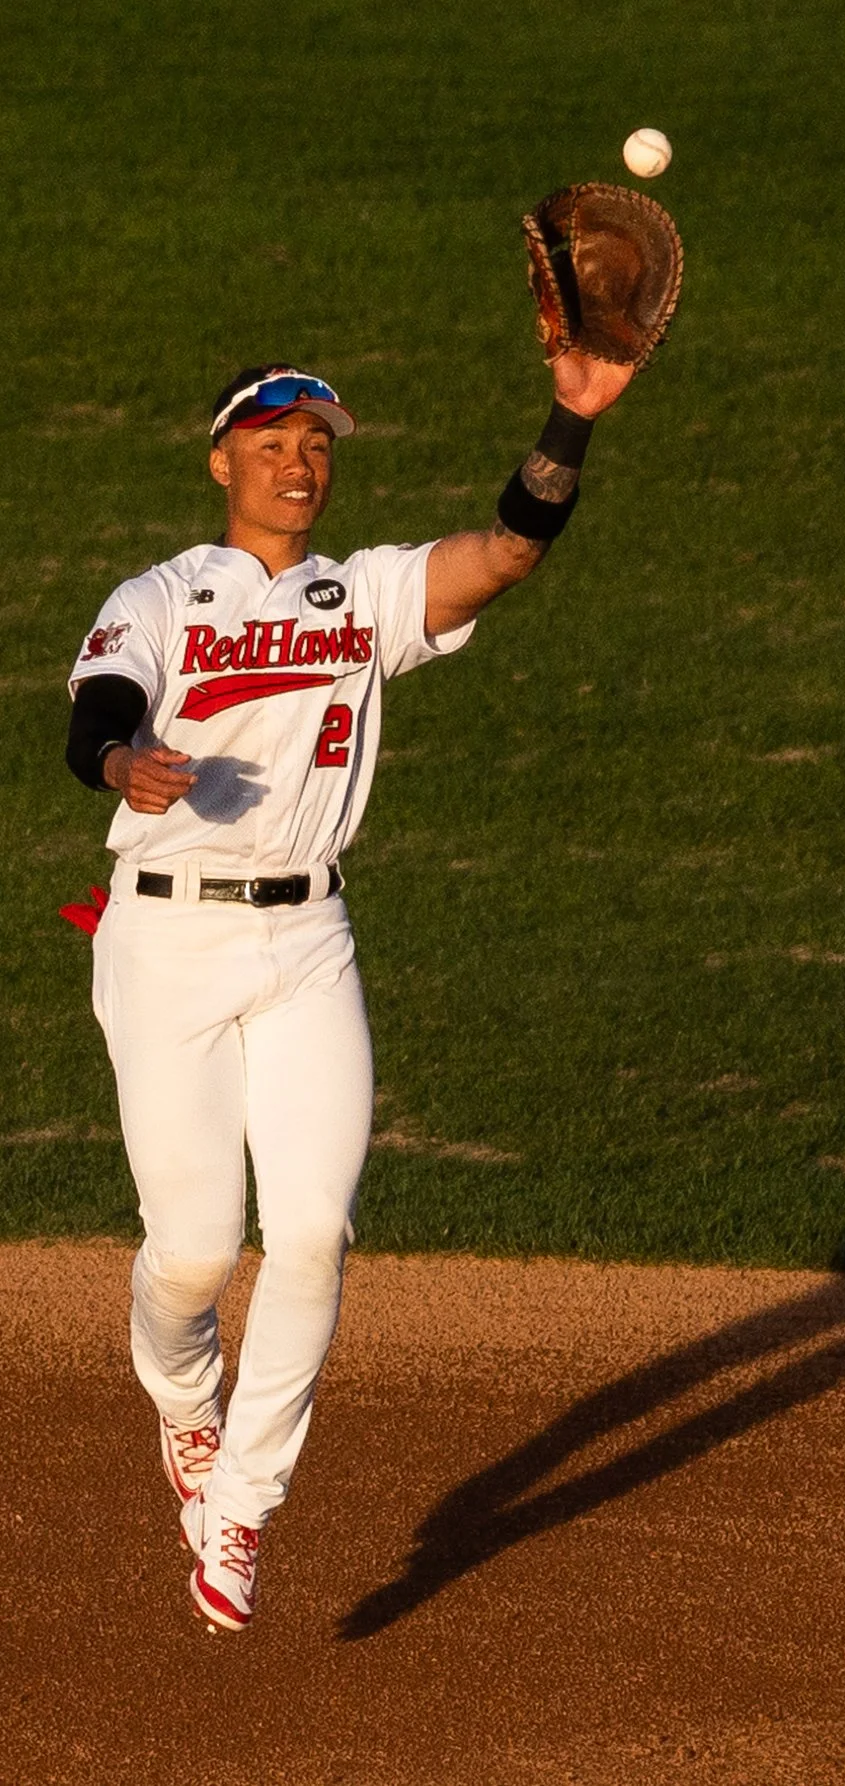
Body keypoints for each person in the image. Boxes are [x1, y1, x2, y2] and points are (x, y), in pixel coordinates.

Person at [61, 352, 632, 1630]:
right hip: (164, 946)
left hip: (309, 937)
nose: (298, 460)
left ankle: (245, 1509)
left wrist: (572, 420)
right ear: (222, 461)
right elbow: (95, 706)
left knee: (311, 1230)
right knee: (198, 1250)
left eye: (316, 441)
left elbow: (505, 552)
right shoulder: (161, 596)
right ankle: (183, 1405)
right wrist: (119, 759)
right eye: (270, 440)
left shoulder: (359, 593)